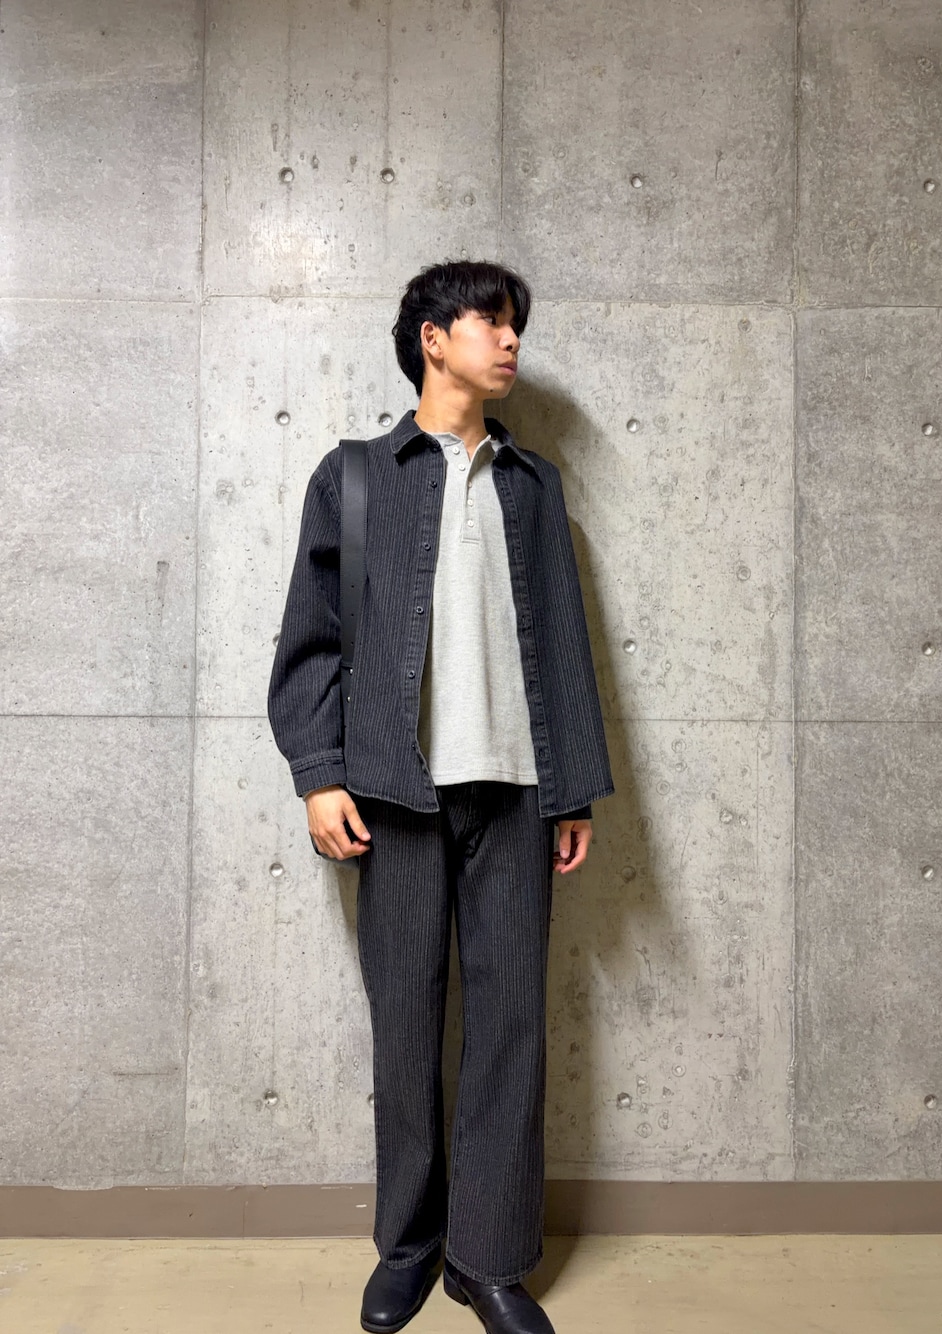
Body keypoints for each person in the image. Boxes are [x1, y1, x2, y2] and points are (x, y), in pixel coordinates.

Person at [267, 259, 614, 1334]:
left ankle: (490, 1260)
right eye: (491, 322)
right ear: (433, 337)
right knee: (406, 1024)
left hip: (516, 792)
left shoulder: (533, 484)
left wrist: (572, 791)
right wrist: (319, 774)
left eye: (515, 327)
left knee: (510, 1028)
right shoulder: (356, 477)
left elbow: (565, 641)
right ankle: (409, 1247)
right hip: (395, 794)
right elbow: (311, 638)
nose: (510, 342)